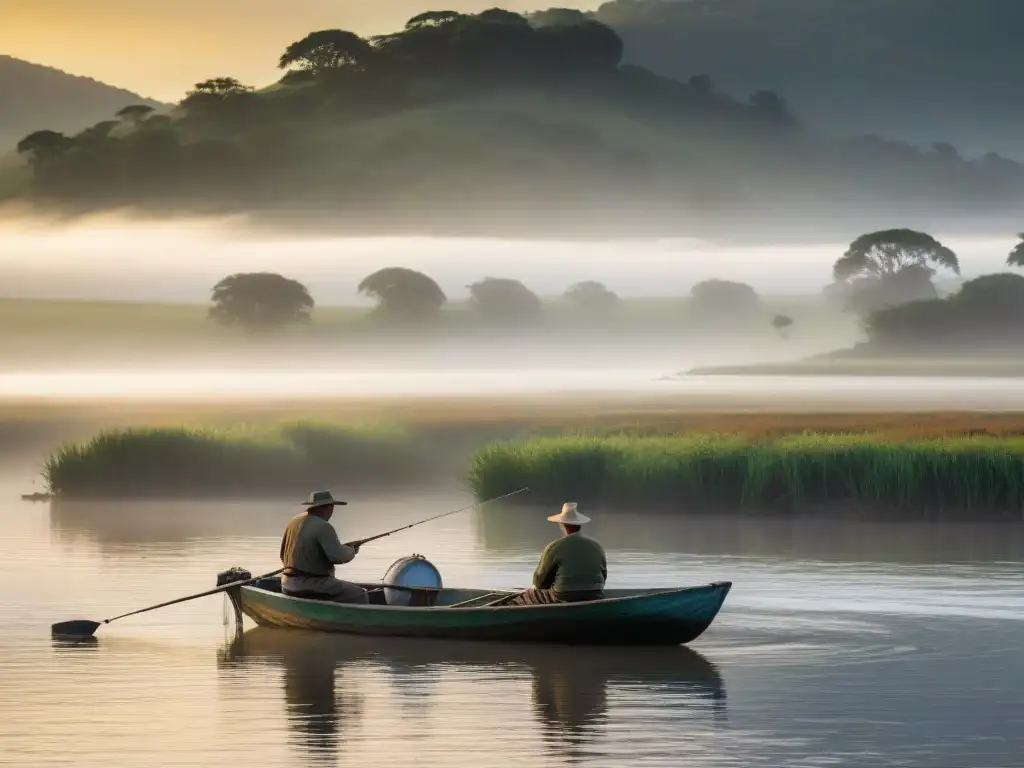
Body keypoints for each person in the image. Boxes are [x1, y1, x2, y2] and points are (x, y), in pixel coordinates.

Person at [508, 502, 607, 606]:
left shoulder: (554, 547)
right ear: (580, 525)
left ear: (562, 525)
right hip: (595, 594)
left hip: (564, 596)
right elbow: (604, 576)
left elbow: (539, 582)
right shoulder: (597, 546)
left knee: (527, 595)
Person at [279, 490, 368, 604]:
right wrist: (351, 550)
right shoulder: (324, 526)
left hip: (287, 582)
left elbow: (283, 555)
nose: (332, 511)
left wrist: (343, 547)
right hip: (310, 584)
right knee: (360, 594)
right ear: (326, 508)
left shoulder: (293, 522)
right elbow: (338, 557)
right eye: (331, 507)